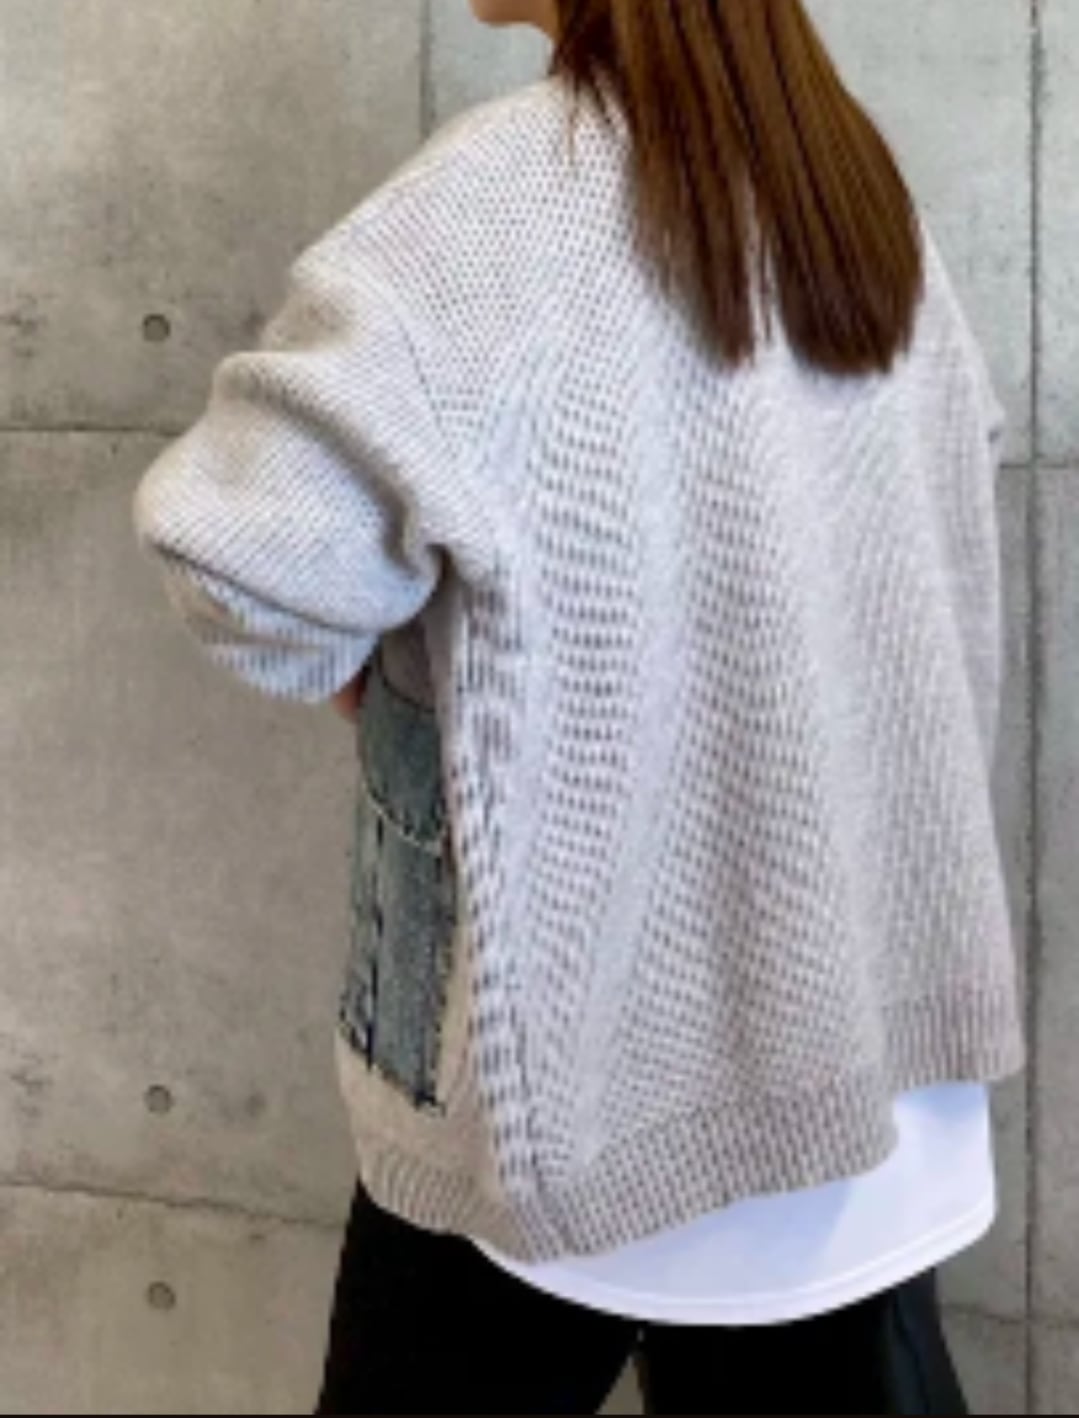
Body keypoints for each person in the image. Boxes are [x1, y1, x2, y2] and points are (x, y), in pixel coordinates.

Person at [131, 0, 1023, 1412]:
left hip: (576, 1096)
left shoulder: (493, 205)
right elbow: (950, 485)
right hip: (865, 1098)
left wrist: (378, 681)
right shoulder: (851, 188)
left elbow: (243, 558)